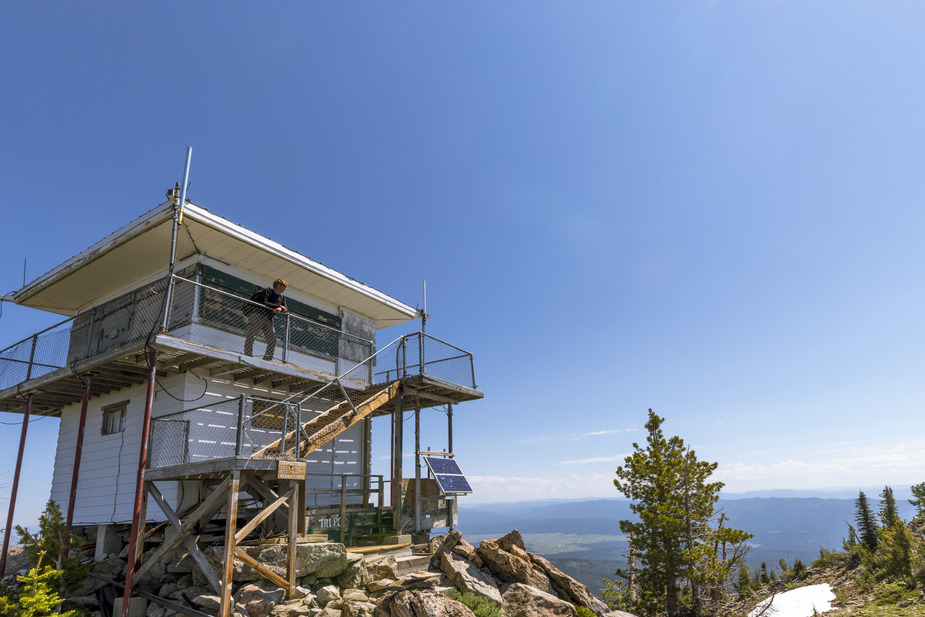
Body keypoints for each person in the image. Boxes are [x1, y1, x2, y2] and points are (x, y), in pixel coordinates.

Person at [243, 278, 288, 360]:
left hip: (268, 319)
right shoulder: (268, 291)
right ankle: (247, 355)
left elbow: (285, 309)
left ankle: (267, 359)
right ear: (278, 285)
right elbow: (264, 302)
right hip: (258, 315)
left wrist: (281, 309)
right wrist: (277, 307)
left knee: (272, 340)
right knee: (251, 336)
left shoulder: (282, 297)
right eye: (284, 286)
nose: (286, 288)